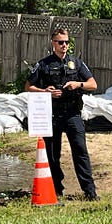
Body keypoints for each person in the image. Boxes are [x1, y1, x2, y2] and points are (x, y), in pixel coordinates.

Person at [25, 28, 100, 201]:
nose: (64, 45)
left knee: (80, 151)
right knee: (52, 154)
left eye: (66, 42)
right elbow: (28, 86)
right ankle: (56, 189)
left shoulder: (77, 62)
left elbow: (93, 84)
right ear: (53, 43)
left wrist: (78, 84)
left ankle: (90, 191)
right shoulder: (43, 64)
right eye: (60, 42)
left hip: (73, 112)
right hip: (52, 114)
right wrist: (45, 91)